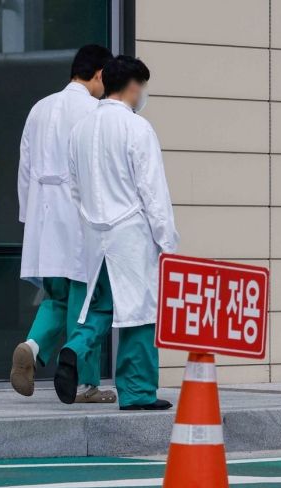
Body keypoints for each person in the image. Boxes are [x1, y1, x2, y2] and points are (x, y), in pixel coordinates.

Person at [56, 55, 179, 410]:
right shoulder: (137, 127)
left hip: (95, 231)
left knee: (101, 306)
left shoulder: (80, 129)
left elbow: (75, 188)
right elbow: (153, 190)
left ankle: (74, 349)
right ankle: (138, 392)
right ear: (134, 86)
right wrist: (167, 241)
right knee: (141, 313)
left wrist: (89, 223)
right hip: (131, 230)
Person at [11, 44, 116, 404]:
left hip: (44, 223)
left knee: (57, 297)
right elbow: (100, 170)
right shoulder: (96, 111)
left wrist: (30, 221)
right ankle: (86, 383)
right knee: (87, 302)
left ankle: (31, 344)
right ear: (100, 74)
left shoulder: (39, 108)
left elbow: (24, 170)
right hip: (81, 221)